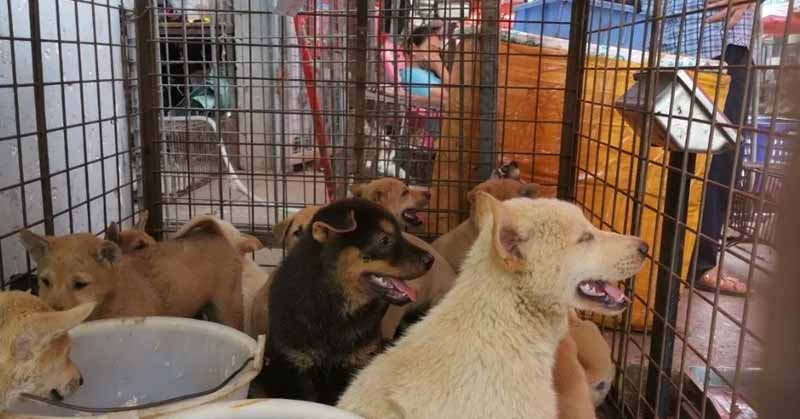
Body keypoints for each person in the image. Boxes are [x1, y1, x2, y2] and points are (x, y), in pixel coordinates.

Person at [660, 0, 756, 295]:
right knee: (676, 152)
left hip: (719, 43)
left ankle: (698, 260)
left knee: (716, 154)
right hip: (677, 45)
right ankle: (685, 257)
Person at [401, 23, 450, 109]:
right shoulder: (412, 74)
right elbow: (456, 97)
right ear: (413, 49)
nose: (436, 55)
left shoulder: (426, 72)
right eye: (431, 49)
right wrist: (439, 67)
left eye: (437, 51)